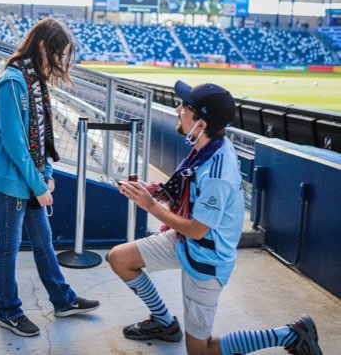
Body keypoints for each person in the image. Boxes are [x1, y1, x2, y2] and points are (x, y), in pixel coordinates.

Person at [108, 80, 322, 355]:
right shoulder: (207, 146)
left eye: (184, 106)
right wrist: (149, 192)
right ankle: (165, 324)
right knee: (120, 258)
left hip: (207, 258)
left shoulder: (216, 171)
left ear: (202, 122)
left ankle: (290, 335)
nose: (177, 110)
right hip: (187, 243)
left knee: (201, 350)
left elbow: (198, 229)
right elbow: (187, 203)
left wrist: (150, 205)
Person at [0, 18, 100, 337]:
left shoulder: (35, 82)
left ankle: (62, 300)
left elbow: (42, 135)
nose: (59, 62)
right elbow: (15, 140)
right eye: (58, 53)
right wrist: (37, 185)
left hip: (30, 178)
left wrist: (46, 175)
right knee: (9, 247)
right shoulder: (12, 81)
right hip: (8, 181)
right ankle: (9, 312)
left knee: (44, 242)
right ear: (43, 46)